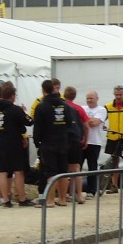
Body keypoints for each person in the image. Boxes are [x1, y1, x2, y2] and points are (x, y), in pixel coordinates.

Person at [32, 79, 81, 207]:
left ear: (43, 90)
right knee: (62, 171)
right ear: (54, 89)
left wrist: (37, 143)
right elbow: (70, 123)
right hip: (63, 142)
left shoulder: (41, 106)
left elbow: (37, 128)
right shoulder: (65, 105)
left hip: (48, 142)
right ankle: (63, 199)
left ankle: (50, 200)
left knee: (50, 171)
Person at [63, 86, 91, 203]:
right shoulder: (78, 108)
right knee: (76, 168)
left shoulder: (61, 107)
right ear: (74, 96)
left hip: (63, 140)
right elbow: (86, 126)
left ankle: (64, 195)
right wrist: (85, 139)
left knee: (63, 169)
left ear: (64, 95)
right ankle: (79, 195)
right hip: (75, 141)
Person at [82, 90, 108, 195]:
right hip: (83, 141)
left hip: (94, 142)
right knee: (78, 165)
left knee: (92, 166)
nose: (89, 100)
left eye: (91, 98)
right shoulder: (83, 108)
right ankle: (76, 190)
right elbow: (91, 121)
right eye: (87, 98)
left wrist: (84, 119)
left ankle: (91, 190)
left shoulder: (101, 110)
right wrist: (90, 119)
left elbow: (94, 123)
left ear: (97, 99)